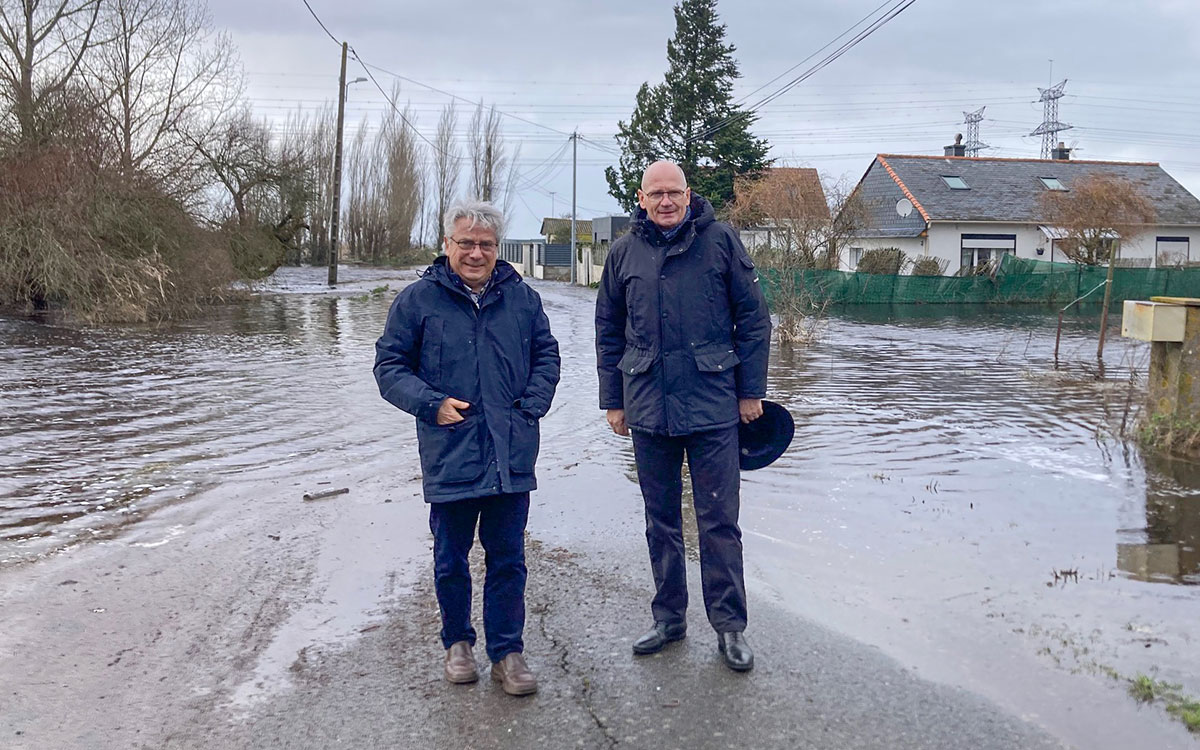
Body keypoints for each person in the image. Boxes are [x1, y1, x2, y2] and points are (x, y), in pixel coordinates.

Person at [374, 200, 560, 696]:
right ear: (447, 245)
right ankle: (457, 644)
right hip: (450, 450)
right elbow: (389, 367)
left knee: (508, 559)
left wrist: (531, 406)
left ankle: (507, 653)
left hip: (510, 452)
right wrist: (431, 404)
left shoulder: (522, 299)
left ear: (497, 249)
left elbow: (547, 354)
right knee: (450, 558)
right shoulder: (418, 301)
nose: (476, 253)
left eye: (486, 245)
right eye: (467, 243)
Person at [595, 161, 772, 672]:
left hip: (714, 405)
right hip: (649, 406)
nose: (666, 201)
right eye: (656, 194)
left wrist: (750, 392)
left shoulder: (720, 241)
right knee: (661, 521)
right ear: (641, 198)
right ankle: (669, 619)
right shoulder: (624, 252)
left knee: (719, 522)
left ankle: (730, 626)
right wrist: (614, 400)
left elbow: (754, 319)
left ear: (689, 195)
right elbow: (608, 329)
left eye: (674, 192)